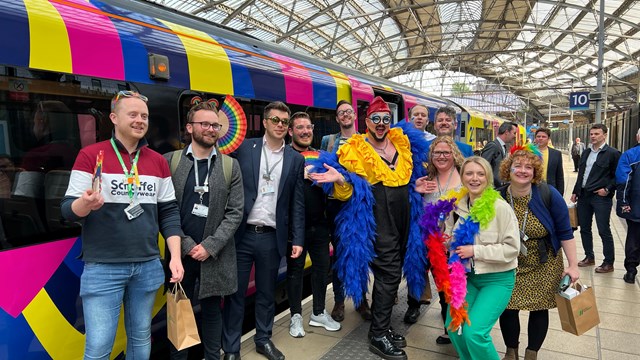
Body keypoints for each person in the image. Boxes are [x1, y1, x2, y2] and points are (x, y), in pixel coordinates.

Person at [61, 90, 184, 359]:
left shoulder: (158, 162)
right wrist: (85, 204)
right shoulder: (91, 155)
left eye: (144, 116)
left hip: (148, 265)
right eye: (133, 114)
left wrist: (175, 256)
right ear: (114, 118)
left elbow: (169, 213)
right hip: (103, 267)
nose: (140, 120)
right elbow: (67, 210)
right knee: (98, 347)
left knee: (141, 338)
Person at [310, 96, 430, 360]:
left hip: (404, 214)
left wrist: (415, 188)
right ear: (366, 122)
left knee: (395, 269)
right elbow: (349, 192)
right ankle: (377, 334)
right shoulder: (356, 147)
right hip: (377, 215)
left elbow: (402, 180)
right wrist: (341, 177)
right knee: (388, 273)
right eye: (375, 119)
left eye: (385, 119)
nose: (381, 124)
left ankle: (383, 326)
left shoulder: (400, 142)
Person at [222, 101, 305, 360]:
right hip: (241, 235)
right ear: (265, 122)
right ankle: (231, 349)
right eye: (275, 120)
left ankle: (263, 339)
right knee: (235, 295)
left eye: (284, 121)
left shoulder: (295, 158)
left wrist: (298, 238)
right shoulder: (245, 149)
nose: (280, 125)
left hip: (271, 237)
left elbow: (297, 203)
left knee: (267, 293)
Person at [165, 101, 244, 360]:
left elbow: (235, 213)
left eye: (215, 125)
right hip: (181, 255)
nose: (211, 129)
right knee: (180, 312)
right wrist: (188, 246)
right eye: (205, 124)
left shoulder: (230, 166)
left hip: (216, 255)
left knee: (212, 313)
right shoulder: (172, 162)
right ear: (190, 127)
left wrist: (210, 246)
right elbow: (165, 209)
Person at [497, 145, 579, 360]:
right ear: (508, 169)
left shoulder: (547, 193)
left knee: (539, 308)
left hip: (545, 260)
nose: (523, 171)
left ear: (535, 172)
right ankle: (511, 351)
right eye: (518, 166)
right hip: (510, 261)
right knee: (508, 306)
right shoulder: (497, 196)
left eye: (528, 167)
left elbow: (565, 232)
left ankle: (532, 353)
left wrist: (573, 265)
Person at [443, 156, 520, 360]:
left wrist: (475, 250)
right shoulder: (457, 206)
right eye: (469, 173)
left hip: (497, 279)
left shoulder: (500, 207)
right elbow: (451, 238)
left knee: (475, 333)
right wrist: (446, 241)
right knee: (453, 326)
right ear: (462, 177)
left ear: (488, 178)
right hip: (467, 279)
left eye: (480, 174)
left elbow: (513, 248)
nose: (474, 178)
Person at [286, 112, 341, 338]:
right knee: (295, 271)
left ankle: (318, 312)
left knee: (321, 267)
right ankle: (295, 317)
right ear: (291, 132)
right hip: (294, 227)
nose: (306, 131)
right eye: (300, 127)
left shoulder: (321, 156)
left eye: (308, 127)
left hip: (320, 225)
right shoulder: (285, 156)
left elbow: (336, 189)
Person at [407, 136, 464, 346]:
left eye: (446, 152)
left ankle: (456, 329)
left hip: (456, 243)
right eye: (437, 153)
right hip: (431, 242)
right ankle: (448, 326)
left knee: (454, 288)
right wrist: (414, 190)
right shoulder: (426, 177)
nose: (441, 156)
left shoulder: (464, 175)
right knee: (441, 288)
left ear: (454, 154)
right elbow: (414, 206)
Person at [320, 100, 371, 322]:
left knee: (360, 253)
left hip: (359, 204)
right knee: (340, 254)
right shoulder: (328, 141)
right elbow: (321, 169)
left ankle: (361, 300)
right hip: (335, 203)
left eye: (349, 112)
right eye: (341, 113)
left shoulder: (366, 141)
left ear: (354, 116)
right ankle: (340, 301)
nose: (346, 115)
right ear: (337, 118)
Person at [571, 124, 620, 273]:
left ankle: (608, 262)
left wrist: (608, 190)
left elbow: (618, 176)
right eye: (591, 134)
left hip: (601, 198)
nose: (593, 136)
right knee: (584, 228)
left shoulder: (613, 153)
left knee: (603, 229)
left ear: (604, 135)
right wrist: (575, 191)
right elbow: (581, 174)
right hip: (584, 196)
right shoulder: (586, 152)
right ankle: (589, 257)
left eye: (596, 134)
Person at [615, 128, 640, 284]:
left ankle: (631, 272)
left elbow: (623, 181)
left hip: (636, 208)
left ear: (637, 137)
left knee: (634, 239)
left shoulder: (630, 155)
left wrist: (624, 203)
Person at [481, 121, 518, 187]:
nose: (515, 136)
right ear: (506, 132)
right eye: (514, 133)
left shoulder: (503, 146)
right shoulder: (493, 146)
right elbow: (483, 165)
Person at [534, 128, 564, 195]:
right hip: (531, 189)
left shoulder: (556, 154)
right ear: (535, 138)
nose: (540, 138)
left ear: (548, 139)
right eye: (538, 136)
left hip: (550, 190)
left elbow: (559, 176)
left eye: (543, 137)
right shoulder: (528, 152)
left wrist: (560, 194)